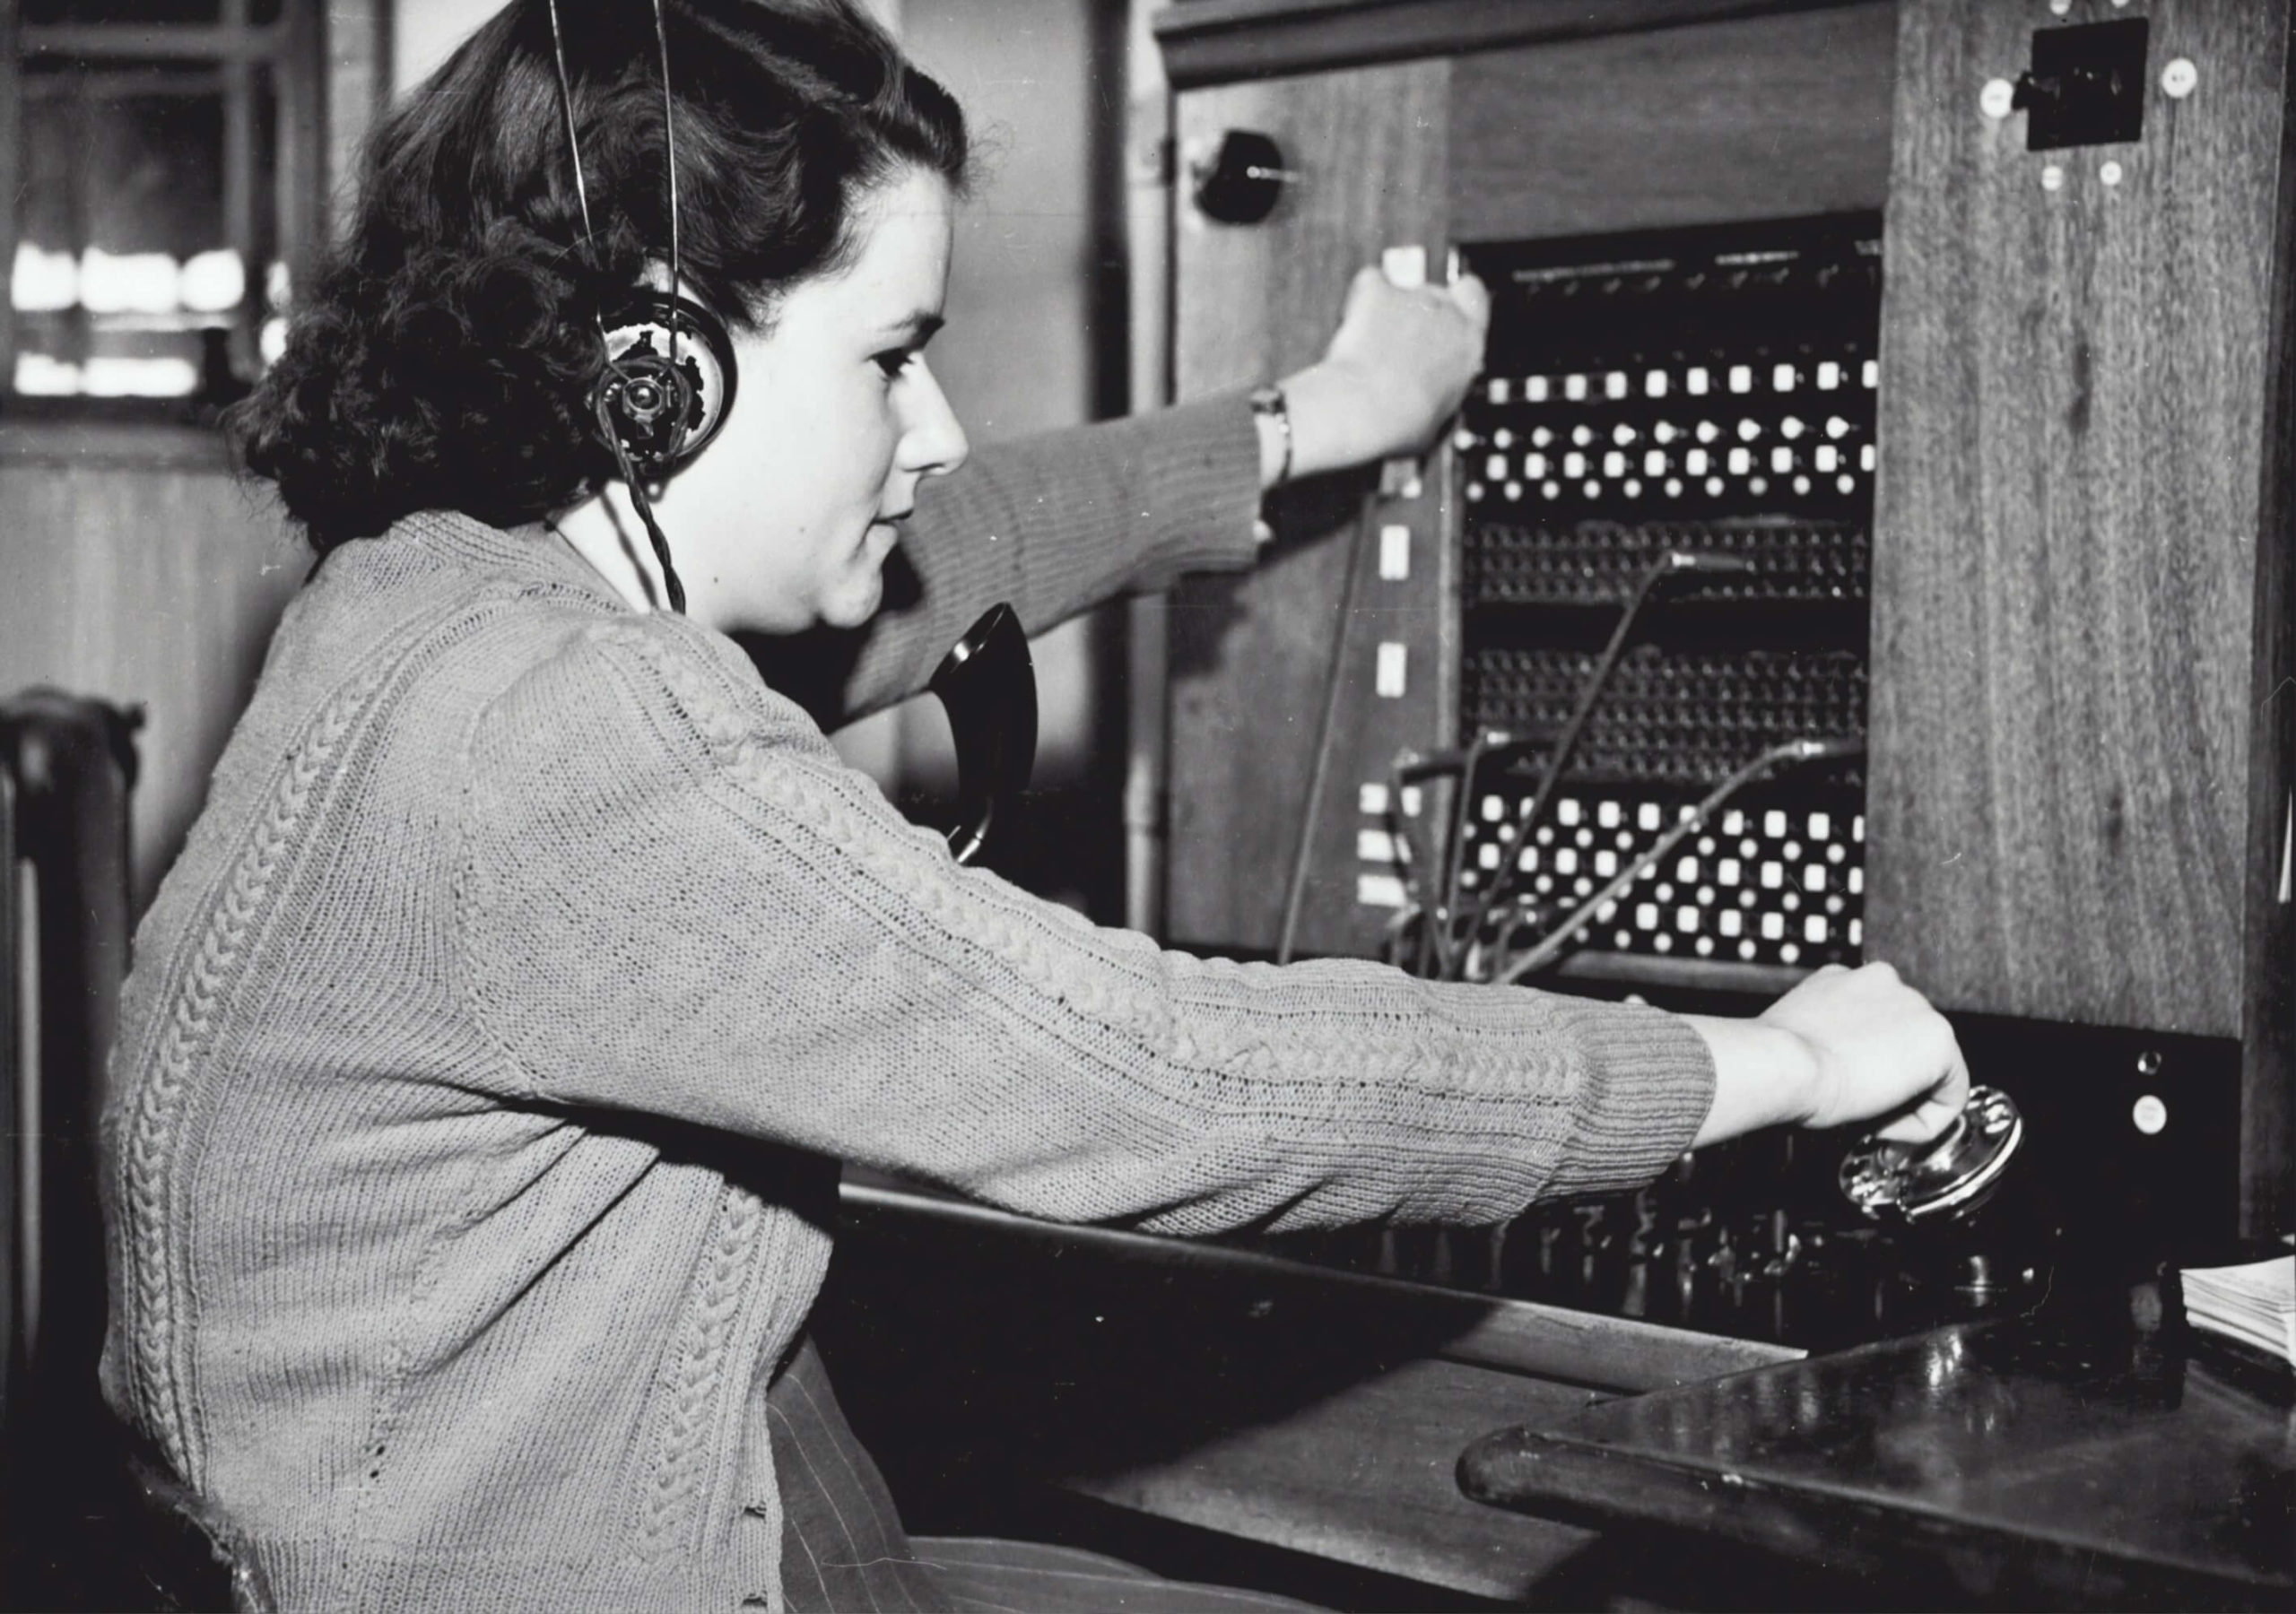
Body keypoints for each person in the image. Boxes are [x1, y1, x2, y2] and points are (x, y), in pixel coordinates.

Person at [98, 2, 1970, 1610]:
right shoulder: (556, 735)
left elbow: (968, 542)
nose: (934, 432)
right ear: (653, 372)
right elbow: (1158, 1080)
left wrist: (1314, 416)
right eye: (891, 357)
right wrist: (1760, 1068)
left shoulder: (436, 594)